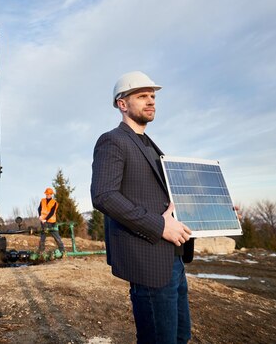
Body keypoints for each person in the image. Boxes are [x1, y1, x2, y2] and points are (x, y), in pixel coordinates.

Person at [90, 71, 194, 344]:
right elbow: (104, 195)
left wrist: (215, 211)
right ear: (122, 104)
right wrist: (159, 226)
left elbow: (166, 199)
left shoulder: (152, 147)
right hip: (147, 262)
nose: (151, 101)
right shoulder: (113, 140)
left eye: (153, 96)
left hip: (173, 259)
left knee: (181, 336)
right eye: (142, 96)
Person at [37, 187, 65, 253]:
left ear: (51, 194)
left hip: (52, 222)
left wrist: (46, 219)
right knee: (42, 237)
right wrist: (40, 216)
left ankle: (62, 250)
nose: (48, 195)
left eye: (49, 194)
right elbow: (39, 209)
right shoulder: (42, 201)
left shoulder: (54, 202)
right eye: (47, 194)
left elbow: (52, 212)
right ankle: (41, 251)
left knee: (56, 236)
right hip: (44, 222)